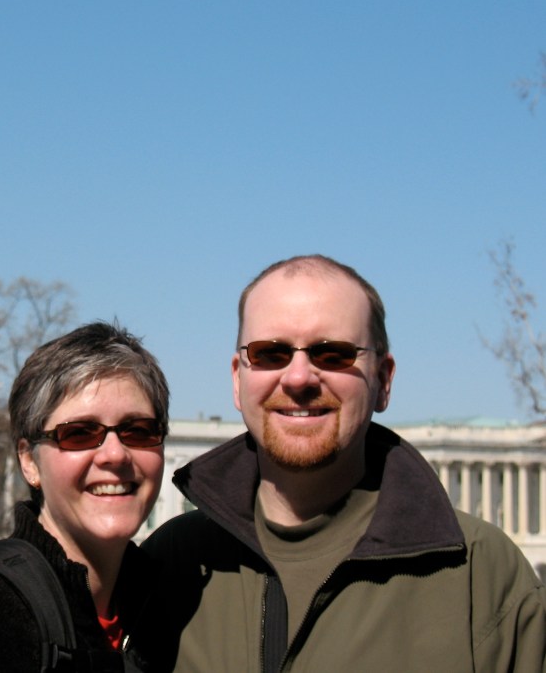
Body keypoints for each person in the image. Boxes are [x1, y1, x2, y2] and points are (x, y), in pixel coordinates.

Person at [143, 254, 546, 672]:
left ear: (383, 381)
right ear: (237, 378)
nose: (299, 378)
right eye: (270, 353)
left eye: (333, 354)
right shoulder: (168, 564)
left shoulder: (481, 575)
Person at [0, 321, 171, 672]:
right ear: (29, 462)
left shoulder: (168, 608)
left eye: (138, 430)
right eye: (80, 433)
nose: (114, 455)